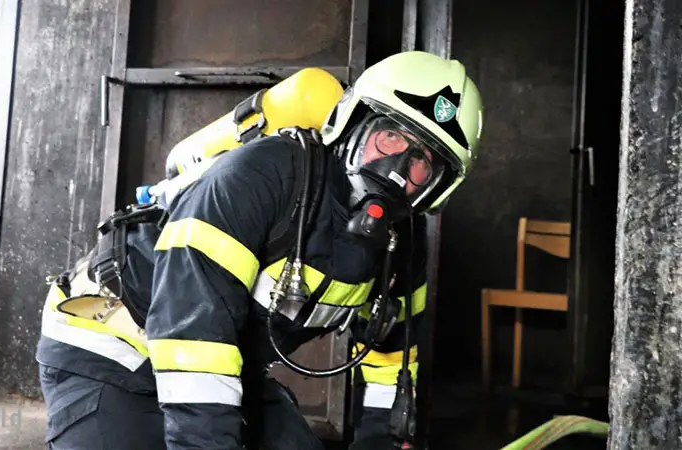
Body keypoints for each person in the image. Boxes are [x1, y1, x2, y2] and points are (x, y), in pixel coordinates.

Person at [35, 50, 483, 450]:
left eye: (423, 162)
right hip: (112, 349)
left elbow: (389, 361)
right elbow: (193, 331)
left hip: (223, 365)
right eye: (390, 138)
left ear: (438, 187)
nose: (398, 169)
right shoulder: (262, 176)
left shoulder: (401, 245)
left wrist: (381, 442)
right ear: (353, 123)